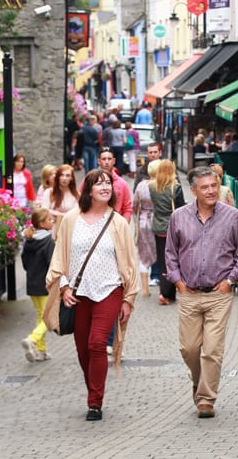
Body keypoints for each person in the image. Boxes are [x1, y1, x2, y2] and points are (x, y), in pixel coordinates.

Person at [45, 168, 139, 421]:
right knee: (83, 351)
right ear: (88, 189)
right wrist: (64, 287)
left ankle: (94, 402)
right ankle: (93, 390)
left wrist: (129, 298)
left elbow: (130, 262)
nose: (106, 187)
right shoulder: (71, 219)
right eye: (99, 184)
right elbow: (60, 256)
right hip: (78, 294)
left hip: (110, 290)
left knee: (97, 344)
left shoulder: (118, 223)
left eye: (108, 183)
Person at [165, 165, 238, 418]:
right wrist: (178, 282)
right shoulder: (179, 217)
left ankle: (206, 399)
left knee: (212, 349)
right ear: (193, 191)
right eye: (204, 187)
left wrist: (231, 280)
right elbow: (170, 254)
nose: (211, 191)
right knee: (189, 349)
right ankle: (199, 381)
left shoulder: (233, 216)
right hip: (189, 293)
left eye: (214, 185)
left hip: (218, 294)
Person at [20, 208, 56, 362]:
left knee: (41, 316)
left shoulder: (29, 240)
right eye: (50, 219)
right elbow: (52, 264)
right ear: (42, 223)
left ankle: (41, 351)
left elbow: (25, 263)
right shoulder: (48, 241)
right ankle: (32, 340)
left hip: (32, 284)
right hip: (45, 285)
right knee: (49, 318)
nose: (52, 221)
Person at [149, 159, 185, 305]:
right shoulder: (175, 187)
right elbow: (181, 207)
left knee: (163, 260)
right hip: (172, 227)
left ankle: (168, 294)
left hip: (158, 227)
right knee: (174, 261)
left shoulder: (152, 187)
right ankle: (166, 292)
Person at [133, 159, 160, 297]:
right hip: (160, 222)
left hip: (144, 222)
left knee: (143, 255)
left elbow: (135, 206)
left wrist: (135, 226)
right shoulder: (163, 186)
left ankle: (144, 289)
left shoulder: (141, 186)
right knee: (162, 253)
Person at [94, 147, 132, 220]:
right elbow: (81, 202)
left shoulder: (122, 184)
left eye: (109, 159)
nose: (107, 162)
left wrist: (123, 226)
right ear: (99, 161)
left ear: (114, 161)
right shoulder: (90, 180)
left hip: (116, 225)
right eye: (104, 159)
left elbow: (127, 209)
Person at [41, 164, 80, 233]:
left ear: (72, 178)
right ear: (58, 177)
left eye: (67, 175)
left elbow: (77, 213)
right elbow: (44, 211)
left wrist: (55, 213)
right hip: (52, 231)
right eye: (61, 175)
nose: (64, 178)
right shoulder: (49, 192)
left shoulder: (76, 194)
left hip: (70, 230)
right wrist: (61, 214)